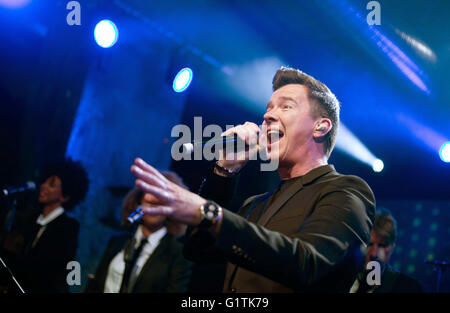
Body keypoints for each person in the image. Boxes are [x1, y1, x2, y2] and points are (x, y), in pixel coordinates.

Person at [130, 66, 376, 292]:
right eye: (268, 108)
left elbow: (307, 263)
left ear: (321, 127)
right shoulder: (254, 204)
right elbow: (197, 249)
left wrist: (209, 214)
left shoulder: (346, 191)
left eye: (286, 106)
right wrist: (225, 171)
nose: (268, 116)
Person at [86, 171, 192, 293]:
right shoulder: (118, 241)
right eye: (149, 193)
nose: (152, 201)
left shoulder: (177, 253)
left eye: (161, 197)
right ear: (138, 202)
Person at [7, 158, 89, 293]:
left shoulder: (68, 227)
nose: (43, 186)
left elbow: (58, 272)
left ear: (64, 196)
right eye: (45, 181)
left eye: (51, 184)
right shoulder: (33, 219)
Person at [350, 209, 422, 293]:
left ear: (392, 248)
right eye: (370, 244)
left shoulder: (409, 287)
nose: (374, 254)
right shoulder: (341, 278)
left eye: (382, 245)